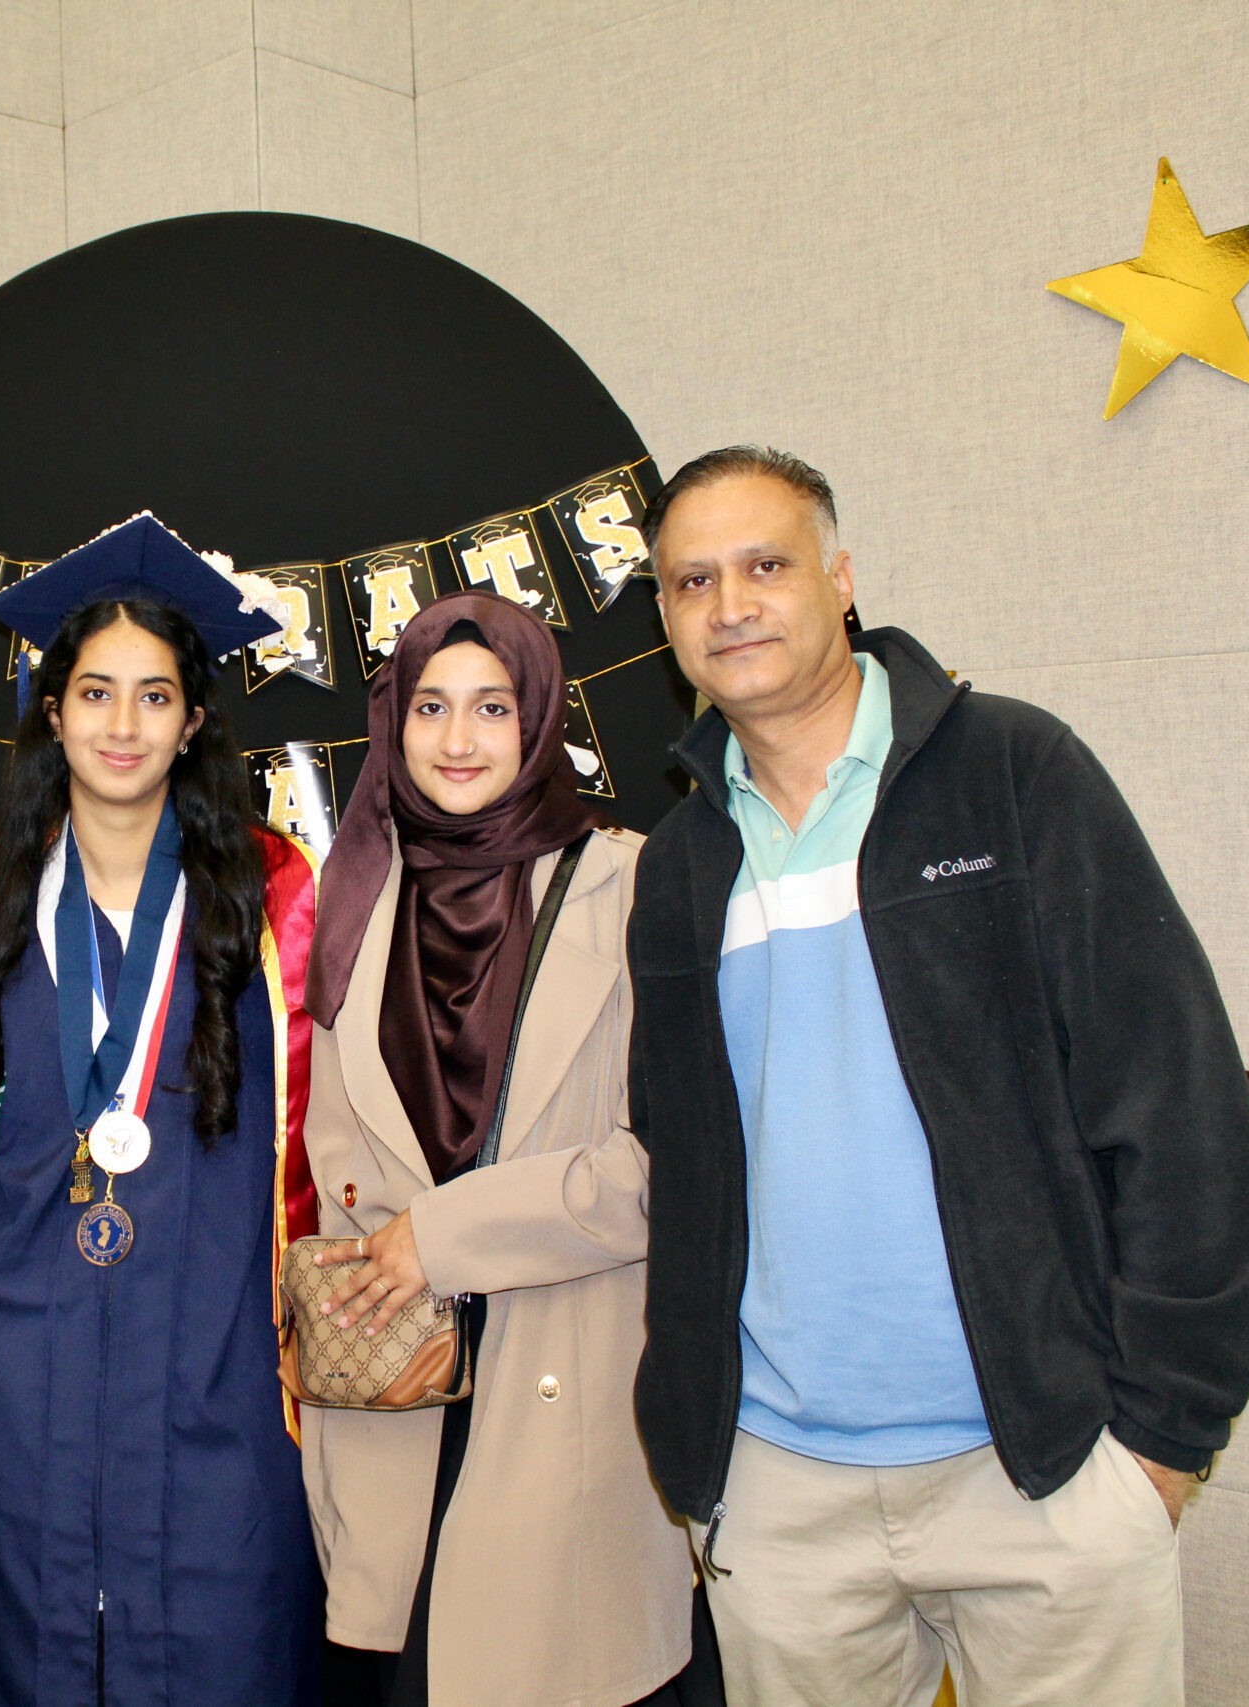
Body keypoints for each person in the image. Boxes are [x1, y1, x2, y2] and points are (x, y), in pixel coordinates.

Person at [628, 446, 1249, 1707]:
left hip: (1042, 1465)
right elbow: (682, 1161)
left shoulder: (1013, 775)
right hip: (777, 1489)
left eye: (765, 565)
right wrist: (700, 1463)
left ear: (840, 578)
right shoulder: (679, 863)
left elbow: (1179, 1103)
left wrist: (1162, 1441)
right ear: (664, 617)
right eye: (692, 581)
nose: (731, 605)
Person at [297, 591, 703, 1707]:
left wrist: (446, 1234)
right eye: (430, 707)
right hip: (396, 1386)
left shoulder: (629, 882)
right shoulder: (359, 887)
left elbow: (668, 1163)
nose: (459, 739)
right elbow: (335, 1155)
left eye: (492, 706)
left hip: (567, 1373)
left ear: (539, 718)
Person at [0, 515, 324, 1707]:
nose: (123, 725)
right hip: (24, 1348)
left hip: (219, 1349)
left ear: (195, 718)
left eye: (154, 696)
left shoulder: (274, 895)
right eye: (95, 693)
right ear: (51, 710)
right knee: (32, 1640)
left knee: (225, 1633)